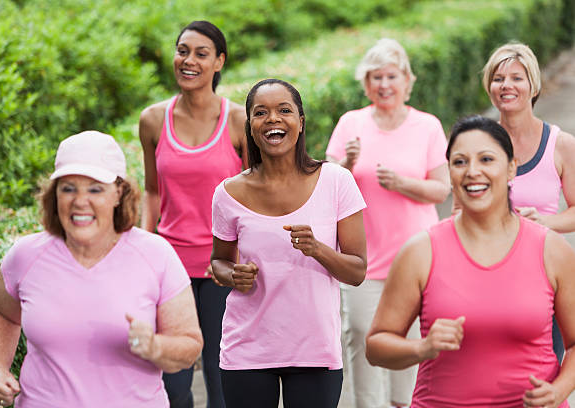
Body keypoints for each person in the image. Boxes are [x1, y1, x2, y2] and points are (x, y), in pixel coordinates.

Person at [366, 115, 575, 407]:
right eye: (460, 162)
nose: (472, 171)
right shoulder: (420, 251)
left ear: (512, 168)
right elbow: (376, 346)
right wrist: (422, 347)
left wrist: (559, 391)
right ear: (449, 171)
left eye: (487, 159)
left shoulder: (552, 249)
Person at [0, 131, 203, 407]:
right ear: (55, 194)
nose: (79, 200)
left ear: (119, 193)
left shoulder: (155, 255)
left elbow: (189, 344)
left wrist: (155, 347)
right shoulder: (26, 256)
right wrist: (0, 369)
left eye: (95, 189)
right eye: (68, 188)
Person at [210, 78, 367, 408]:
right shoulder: (228, 194)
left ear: (300, 121)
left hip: (314, 350)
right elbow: (219, 261)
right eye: (260, 112)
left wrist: (318, 249)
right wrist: (232, 275)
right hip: (247, 349)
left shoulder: (337, 181)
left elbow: (357, 271)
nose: (273, 119)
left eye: (284, 110)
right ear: (250, 127)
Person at [325, 38, 450, 408]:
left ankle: (406, 403)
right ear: (366, 83)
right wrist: (346, 163)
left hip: (417, 261)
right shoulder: (351, 122)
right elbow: (328, 185)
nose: (383, 84)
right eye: (375, 76)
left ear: (406, 80)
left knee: (411, 343)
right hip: (362, 258)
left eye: (391, 76)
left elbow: (442, 188)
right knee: (362, 335)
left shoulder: (427, 126)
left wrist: (403, 184)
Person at [138, 21, 247, 408]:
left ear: (219, 62)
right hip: (170, 265)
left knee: (221, 383)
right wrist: (140, 246)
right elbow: (152, 191)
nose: (189, 60)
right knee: (173, 386)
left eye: (202, 54)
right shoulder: (153, 120)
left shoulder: (238, 121)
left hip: (223, 266)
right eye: (182, 50)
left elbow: (255, 194)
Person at [480, 42, 575, 363]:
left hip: (545, 282)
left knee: (540, 375)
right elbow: (459, 211)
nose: (506, 85)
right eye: (498, 78)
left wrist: (546, 222)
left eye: (516, 78)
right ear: (489, 87)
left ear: (533, 84)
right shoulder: (478, 143)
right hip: (486, 280)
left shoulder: (561, 145)